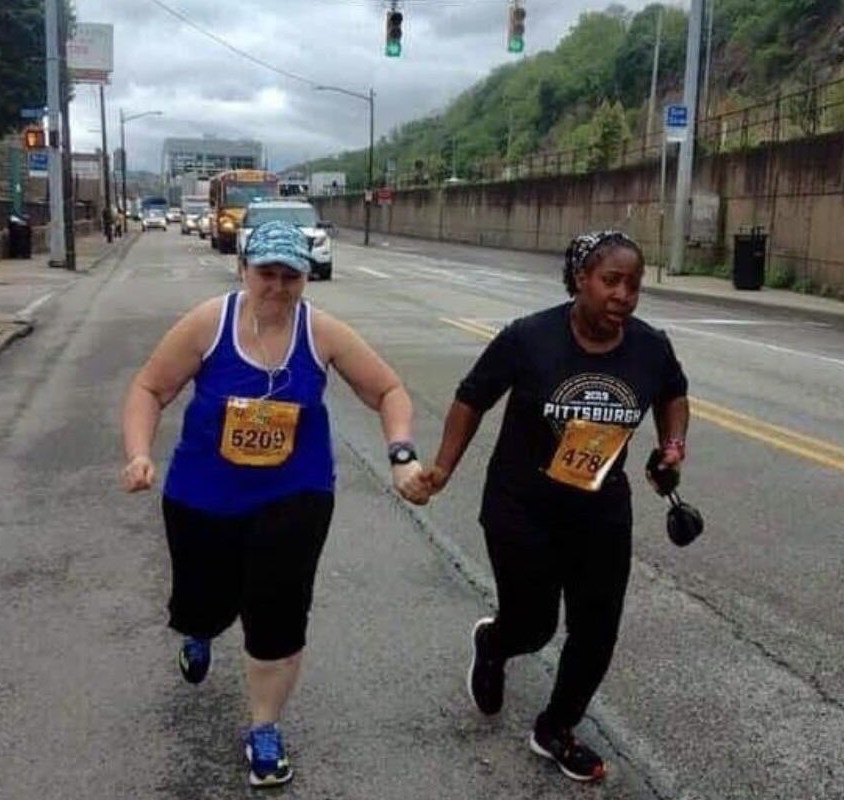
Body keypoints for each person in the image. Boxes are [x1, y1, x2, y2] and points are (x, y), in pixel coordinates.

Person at [120, 220, 429, 788]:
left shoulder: (323, 332)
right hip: (202, 496)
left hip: (295, 496)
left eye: (292, 276)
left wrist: (401, 452)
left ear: (306, 278)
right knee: (204, 603)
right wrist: (139, 454)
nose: (279, 287)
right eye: (268, 273)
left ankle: (264, 726)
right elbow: (150, 388)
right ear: (244, 269)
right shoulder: (209, 324)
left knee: (278, 616)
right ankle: (202, 628)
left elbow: (387, 390)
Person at [418, 230, 690, 782]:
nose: (623, 295)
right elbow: (472, 398)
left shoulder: (650, 346)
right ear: (581, 280)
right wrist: (443, 467)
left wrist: (672, 448)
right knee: (535, 624)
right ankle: (495, 642)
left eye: (633, 285)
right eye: (611, 281)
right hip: (522, 505)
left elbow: (673, 393)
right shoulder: (529, 338)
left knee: (597, 627)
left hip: (602, 510)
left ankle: (557, 727)